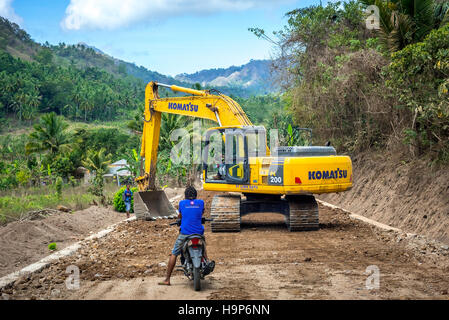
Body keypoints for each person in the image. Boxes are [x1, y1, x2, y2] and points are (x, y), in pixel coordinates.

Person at [159, 185, 208, 286]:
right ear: (196, 195)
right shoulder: (201, 202)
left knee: (174, 253)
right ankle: (206, 261)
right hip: (198, 233)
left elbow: (180, 215)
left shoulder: (182, 203)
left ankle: (167, 279)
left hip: (185, 233)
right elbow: (202, 213)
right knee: (203, 245)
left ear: (185, 196)